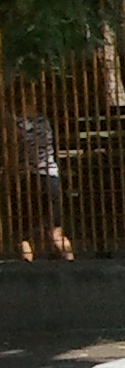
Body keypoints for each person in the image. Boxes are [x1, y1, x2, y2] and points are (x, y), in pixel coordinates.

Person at [8, 111, 73, 261]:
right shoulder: (44, 121)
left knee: (23, 235)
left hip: (27, 179)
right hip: (51, 177)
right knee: (56, 233)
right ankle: (71, 263)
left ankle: (26, 266)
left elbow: (11, 153)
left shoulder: (15, 123)